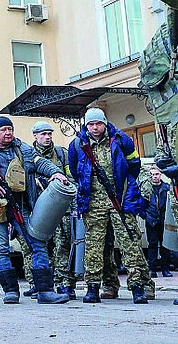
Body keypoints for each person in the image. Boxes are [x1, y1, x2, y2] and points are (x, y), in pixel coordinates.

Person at [0, 116, 70, 305]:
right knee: (1, 249)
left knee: (37, 244)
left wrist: (56, 173)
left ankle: (45, 290)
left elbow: (40, 163)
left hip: (21, 206)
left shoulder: (23, 149)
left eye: (10, 129)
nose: (8, 133)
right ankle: (11, 291)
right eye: (4, 130)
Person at [69, 108, 150, 304]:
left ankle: (138, 287)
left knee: (130, 242)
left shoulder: (121, 140)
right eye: (91, 124)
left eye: (98, 124)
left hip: (119, 200)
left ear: (105, 123)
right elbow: (74, 170)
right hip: (93, 202)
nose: (95, 128)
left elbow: (134, 166)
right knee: (95, 247)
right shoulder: (78, 144)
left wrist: (125, 189)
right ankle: (94, 287)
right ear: (86, 126)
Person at [29, 121, 76, 299]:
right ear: (35, 136)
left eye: (49, 134)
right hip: (38, 208)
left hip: (60, 208)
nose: (47, 137)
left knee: (62, 245)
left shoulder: (61, 154)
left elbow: (71, 177)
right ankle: (41, 285)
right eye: (43, 134)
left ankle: (64, 284)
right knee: (41, 248)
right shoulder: (27, 155)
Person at [141, 166, 173, 278]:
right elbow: (142, 205)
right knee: (152, 245)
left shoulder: (166, 188)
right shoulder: (147, 189)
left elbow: (170, 205)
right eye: (153, 175)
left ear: (160, 175)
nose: (155, 177)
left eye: (157, 174)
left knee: (165, 245)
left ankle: (166, 269)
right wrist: (146, 216)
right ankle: (152, 269)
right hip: (151, 220)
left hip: (164, 220)